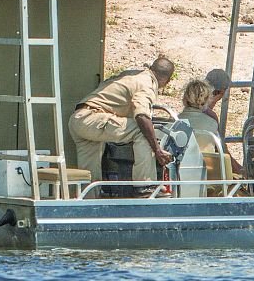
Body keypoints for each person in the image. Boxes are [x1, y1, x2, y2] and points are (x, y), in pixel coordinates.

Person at [68, 51, 174, 193]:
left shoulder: (132, 74)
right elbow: (142, 117)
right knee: (142, 131)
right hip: (93, 117)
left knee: (89, 173)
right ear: (167, 80)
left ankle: (88, 204)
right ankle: (145, 186)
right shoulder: (147, 83)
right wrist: (157, 149)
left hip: (78, 120)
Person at [162, 78, 226, 195]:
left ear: (184, 99)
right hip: (204, 176)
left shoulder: (173, 124)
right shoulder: (212, 123)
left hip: (176, 176)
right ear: (207, 100)